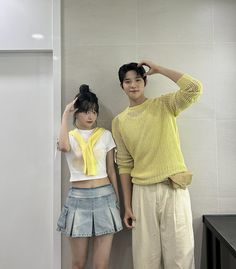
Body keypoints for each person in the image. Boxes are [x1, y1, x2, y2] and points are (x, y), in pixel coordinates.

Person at [112, 60, 203, 269]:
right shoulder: (119, 121)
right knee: (145, 259)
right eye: (127, 81)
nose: (133, 85)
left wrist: (159, 69)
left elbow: (193, 88)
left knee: (180, 256)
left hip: (173, 188)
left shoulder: (165, 104)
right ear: (122, 86)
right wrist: (127, 205)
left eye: (137, 79)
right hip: (142, 193)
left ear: (145, 81)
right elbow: (124, 165)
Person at [57, 84, 122, 269]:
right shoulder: (69, 136)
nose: (90, 116)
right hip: (78, 200)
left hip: (105, 197)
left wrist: (117, 198)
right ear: (77, 113)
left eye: (94, 111)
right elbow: (62, 147)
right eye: (85, 111)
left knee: (101, 265)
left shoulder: (105, 135)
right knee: (78, 263)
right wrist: (65, 114)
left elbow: (111, 170)